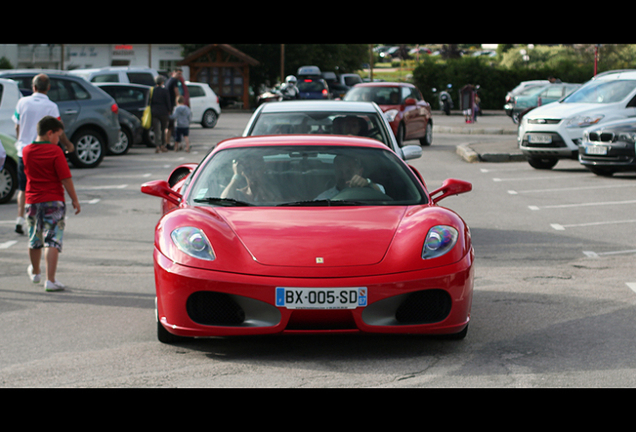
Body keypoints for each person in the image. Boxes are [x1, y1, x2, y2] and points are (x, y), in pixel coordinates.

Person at [23, 116, 81, 292]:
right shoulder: (55, 152)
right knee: (52, 240)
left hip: (32, 201)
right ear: (50, 133)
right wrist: (75, 199)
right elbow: (65, 178)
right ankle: (51, 280)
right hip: (54, 201)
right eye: (58, 136)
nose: (59, 140)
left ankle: (35, 272)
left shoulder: (27, 151)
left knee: (35, 238)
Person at [12, 74, 74, 235]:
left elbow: (17, 125)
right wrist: (67, 145)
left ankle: (21, 218)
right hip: (45, 152)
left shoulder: (22, 102)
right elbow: (58, 130)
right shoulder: (51, 106)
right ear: (48, 88)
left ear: (33, 87)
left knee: (23, 187)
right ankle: (45, 221)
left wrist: (20, 141)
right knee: (43, 184)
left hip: (24, 151)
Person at [314, 154, 384, 200]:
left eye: (349, 172)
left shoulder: (371, 191)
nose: (344, 176)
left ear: (360, 172)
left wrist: (367, 183)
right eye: (340, 172)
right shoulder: (324, 198)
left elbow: (382, 193)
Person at [150, 75, 171, 153]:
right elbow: (168, 101)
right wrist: (169, 110)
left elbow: (149, 102)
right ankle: (163, 145)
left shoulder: (152, 90)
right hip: (163, 111)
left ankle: (157, 146)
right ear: (162, 82)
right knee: (163, 129)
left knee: (156, 130)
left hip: (154, 111)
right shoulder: (165, 91)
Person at [164, 68, 184, 148]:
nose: (180, 76)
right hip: (171, 106)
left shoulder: (168, 81)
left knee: (168, 126)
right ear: (173, 73)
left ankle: (167, 142)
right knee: (170, 126)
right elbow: (177, 93)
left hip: (167, 106)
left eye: (181, 74)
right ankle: (167, 143)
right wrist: (180, 103)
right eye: (178, 73)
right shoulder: (174, 81)